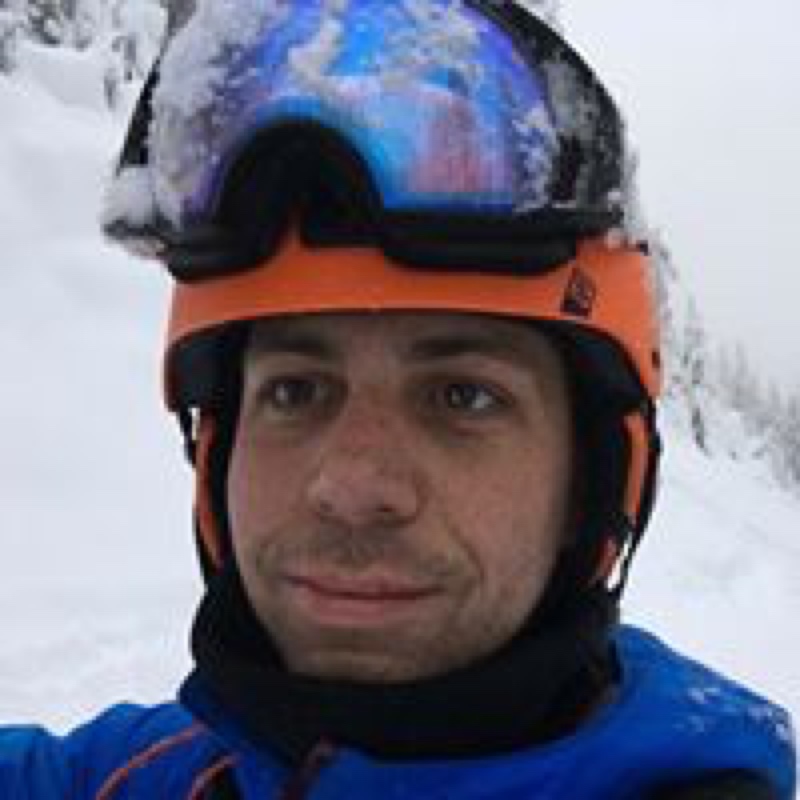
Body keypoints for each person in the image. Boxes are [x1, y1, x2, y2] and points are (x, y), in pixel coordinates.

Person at [1, 1, 795, 797]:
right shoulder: (157, 772)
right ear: (215, 450)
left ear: (592, 481)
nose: (351, 488)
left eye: (462, 396)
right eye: (295, 391)